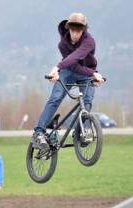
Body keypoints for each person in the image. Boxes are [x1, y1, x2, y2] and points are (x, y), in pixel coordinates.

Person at [32, 12, 104, 149]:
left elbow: (78, 56)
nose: (76, 33)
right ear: (68, 28)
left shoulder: (89, 41)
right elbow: (73, 63)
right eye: (73, 30)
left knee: (87, 100)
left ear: (83, 30)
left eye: (79, 30)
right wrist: (93, 73)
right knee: (56, 98)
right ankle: (38, 133)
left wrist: (92, 73)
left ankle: (82, 132)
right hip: (69, 70)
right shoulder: (62, 45)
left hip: (85, 72)